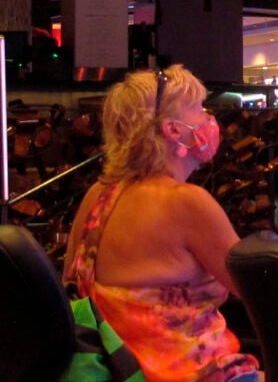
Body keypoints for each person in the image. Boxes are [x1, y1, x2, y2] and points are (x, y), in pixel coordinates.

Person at [63, 64, 260, 382]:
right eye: (198, 109)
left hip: (114, 372)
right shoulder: (187, 202)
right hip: (186, 373)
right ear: (173, 130)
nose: (210, 119)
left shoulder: (97, 197)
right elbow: (261, 293)